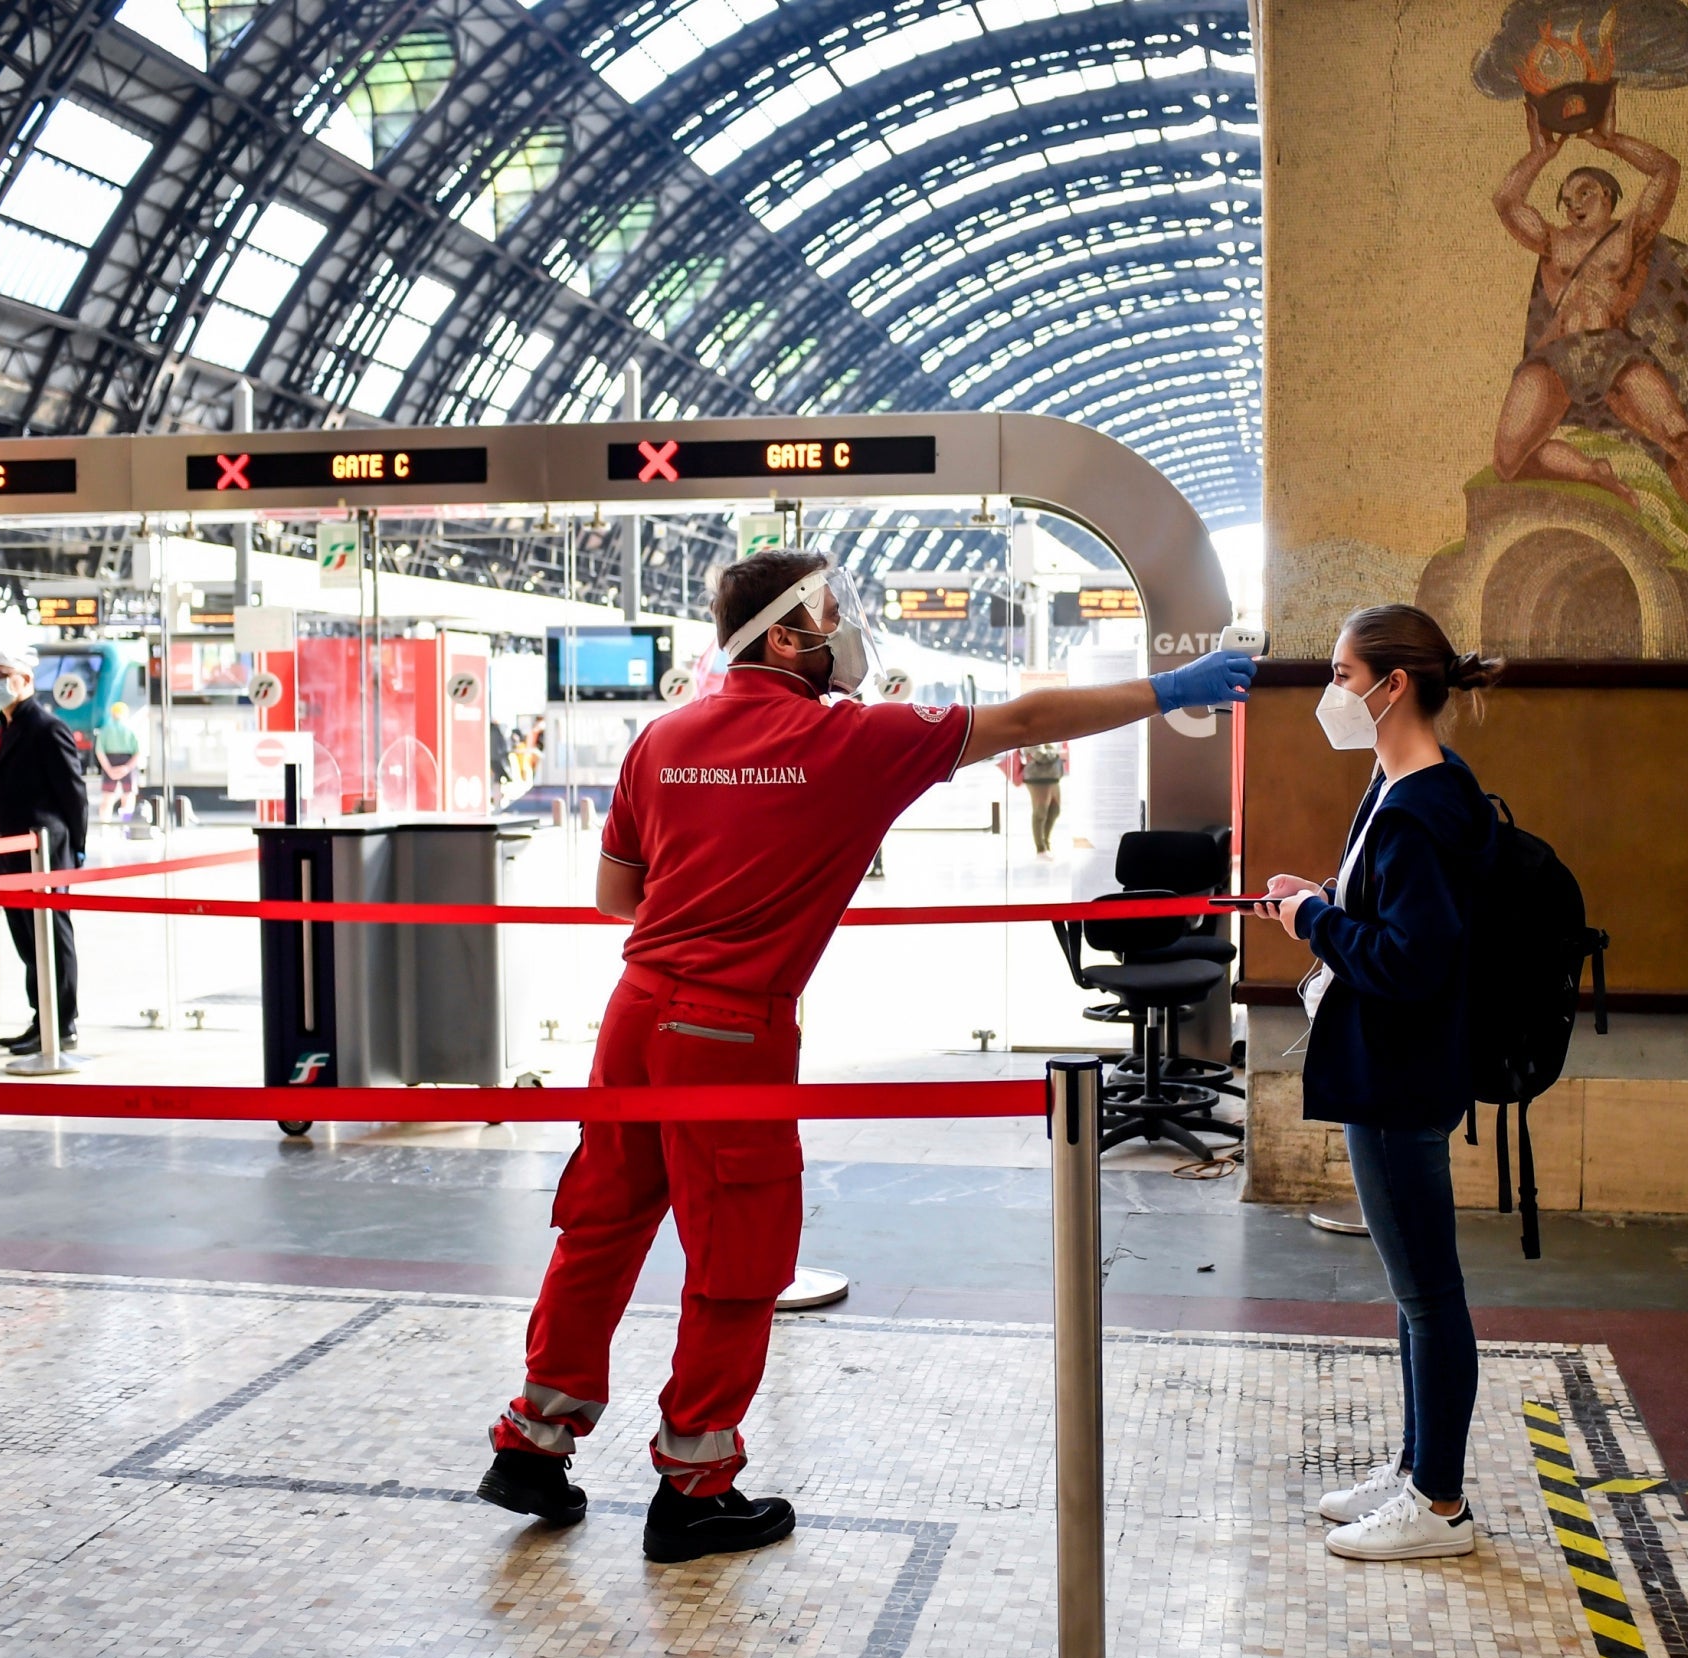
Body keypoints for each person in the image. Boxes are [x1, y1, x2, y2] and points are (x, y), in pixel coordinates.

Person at [478, 548, 1257, 1562]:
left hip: (633, 1017)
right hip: (730, 1030)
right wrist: (1169, 690)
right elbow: (1023, 721)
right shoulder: (848, 741)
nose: (849, 630)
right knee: (737, 1251)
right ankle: (696, 1483)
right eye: (835, 615)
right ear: (789, 637)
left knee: (601, 1220)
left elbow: (617, 898)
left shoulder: (658, 738)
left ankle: (534, 1440)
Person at [1253, 603, 1500, 1561]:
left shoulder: (1418, 810)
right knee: (1415, 1295)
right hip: (1395, 1067)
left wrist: (1316, 919)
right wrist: (1318, 904)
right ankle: (1414, 1472)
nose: (1333, 693)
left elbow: (1409, 963)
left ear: (1394, 686)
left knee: (1430, 1295)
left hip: (1399, 1075)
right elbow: (1388, 924)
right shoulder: (1405, 786)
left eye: (1344, 675)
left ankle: (1440, 1506)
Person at [1490, 96, 1688, 576]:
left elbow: (1666, 171)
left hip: (1612, 352)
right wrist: (1541, 154)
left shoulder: (1629, 238)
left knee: (1681, 437)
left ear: (1608, 196)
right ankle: (1591, 472)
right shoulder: (1553, 241)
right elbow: (1505, 202)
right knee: (1508, 461)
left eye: (1583, 192)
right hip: (1557, 356)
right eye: (1566, 197)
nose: (1573, 204)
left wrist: (1610, 140)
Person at [0, 646, 87, 1054]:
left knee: (51, 936)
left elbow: (73, 793)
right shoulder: (1, 728)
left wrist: (76, 846)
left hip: (42, 849)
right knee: (27, 939)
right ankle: (41, 1017)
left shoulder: (46, 727)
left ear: (25, 679)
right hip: (8, 851)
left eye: (3, 674)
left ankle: (63, 1023)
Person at [1007, 740, 1068, 857]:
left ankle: (1046, 842)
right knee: (1040, 812)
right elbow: (1040, 755)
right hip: (1037, 777)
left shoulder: (1053, 732)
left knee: (1055, 810)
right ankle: (1041, 848)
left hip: (1053, 776)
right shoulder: (1035, 734)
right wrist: (1057, 753)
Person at [93, 701, 141, 823]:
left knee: (107, 798)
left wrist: (109, 769)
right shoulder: (131, 729)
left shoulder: (105, 730)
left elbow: (99, 751)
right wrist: (127, 768)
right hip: (127, 763)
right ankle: (126, 825)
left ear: (112, 714)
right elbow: (138, 752)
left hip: (109, 762)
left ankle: (104, 826)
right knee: (128, 797)